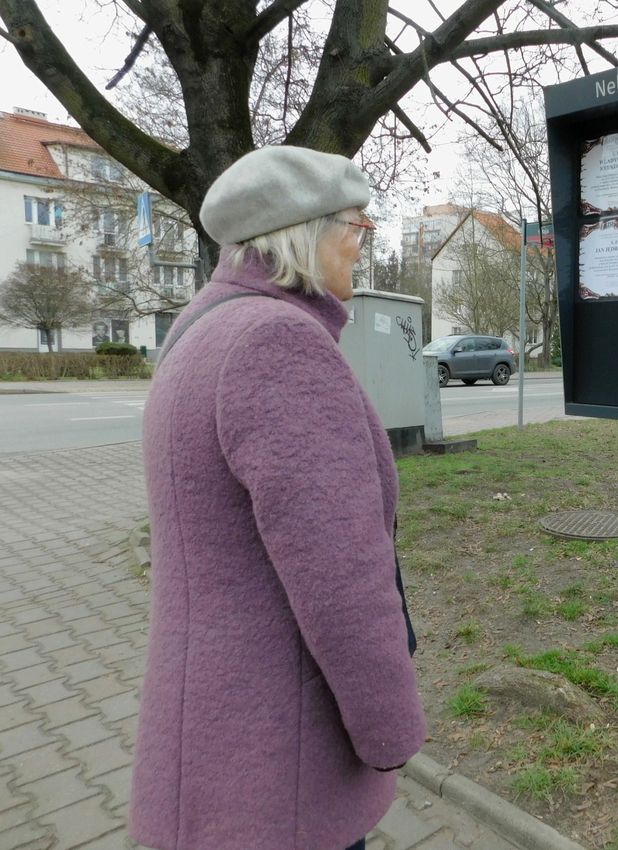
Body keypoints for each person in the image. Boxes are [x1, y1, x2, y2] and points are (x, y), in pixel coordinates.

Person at [129, 146, 426, 850]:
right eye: (357, 225)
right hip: (276, 765)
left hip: (207, 732)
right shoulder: (278, 344)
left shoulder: (201, 330)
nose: (361, 242)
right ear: (307, 230)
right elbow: (342, 578)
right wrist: (390, 732)